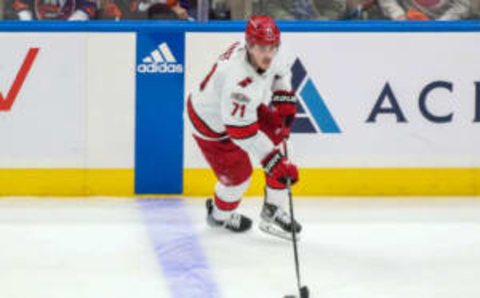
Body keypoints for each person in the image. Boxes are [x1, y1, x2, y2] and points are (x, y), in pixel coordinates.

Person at [187, 15, 301, 239]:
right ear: (249, 45)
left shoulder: (272, 51)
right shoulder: (238, 81)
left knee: (277, 134)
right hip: (211, 125)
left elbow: (281, 72)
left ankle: (273, 210)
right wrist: (272, 161)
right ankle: (219, 215)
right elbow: (242, 133)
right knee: (238, 178)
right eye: (261, 48)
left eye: (272, 47)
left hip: (241, 111)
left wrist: (283, 94)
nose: (268, 54)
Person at [377, 0, 471, 20]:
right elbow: (387, 2)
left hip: (450, 29)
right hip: (407, 25)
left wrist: (440, 25)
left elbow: (463, 6)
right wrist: (399, 16)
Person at [13, 0, 98, 20]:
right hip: (37, 37)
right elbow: (20, 4)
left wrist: (70, 27)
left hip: (71, 39)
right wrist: (30, 28)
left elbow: (88, 6)